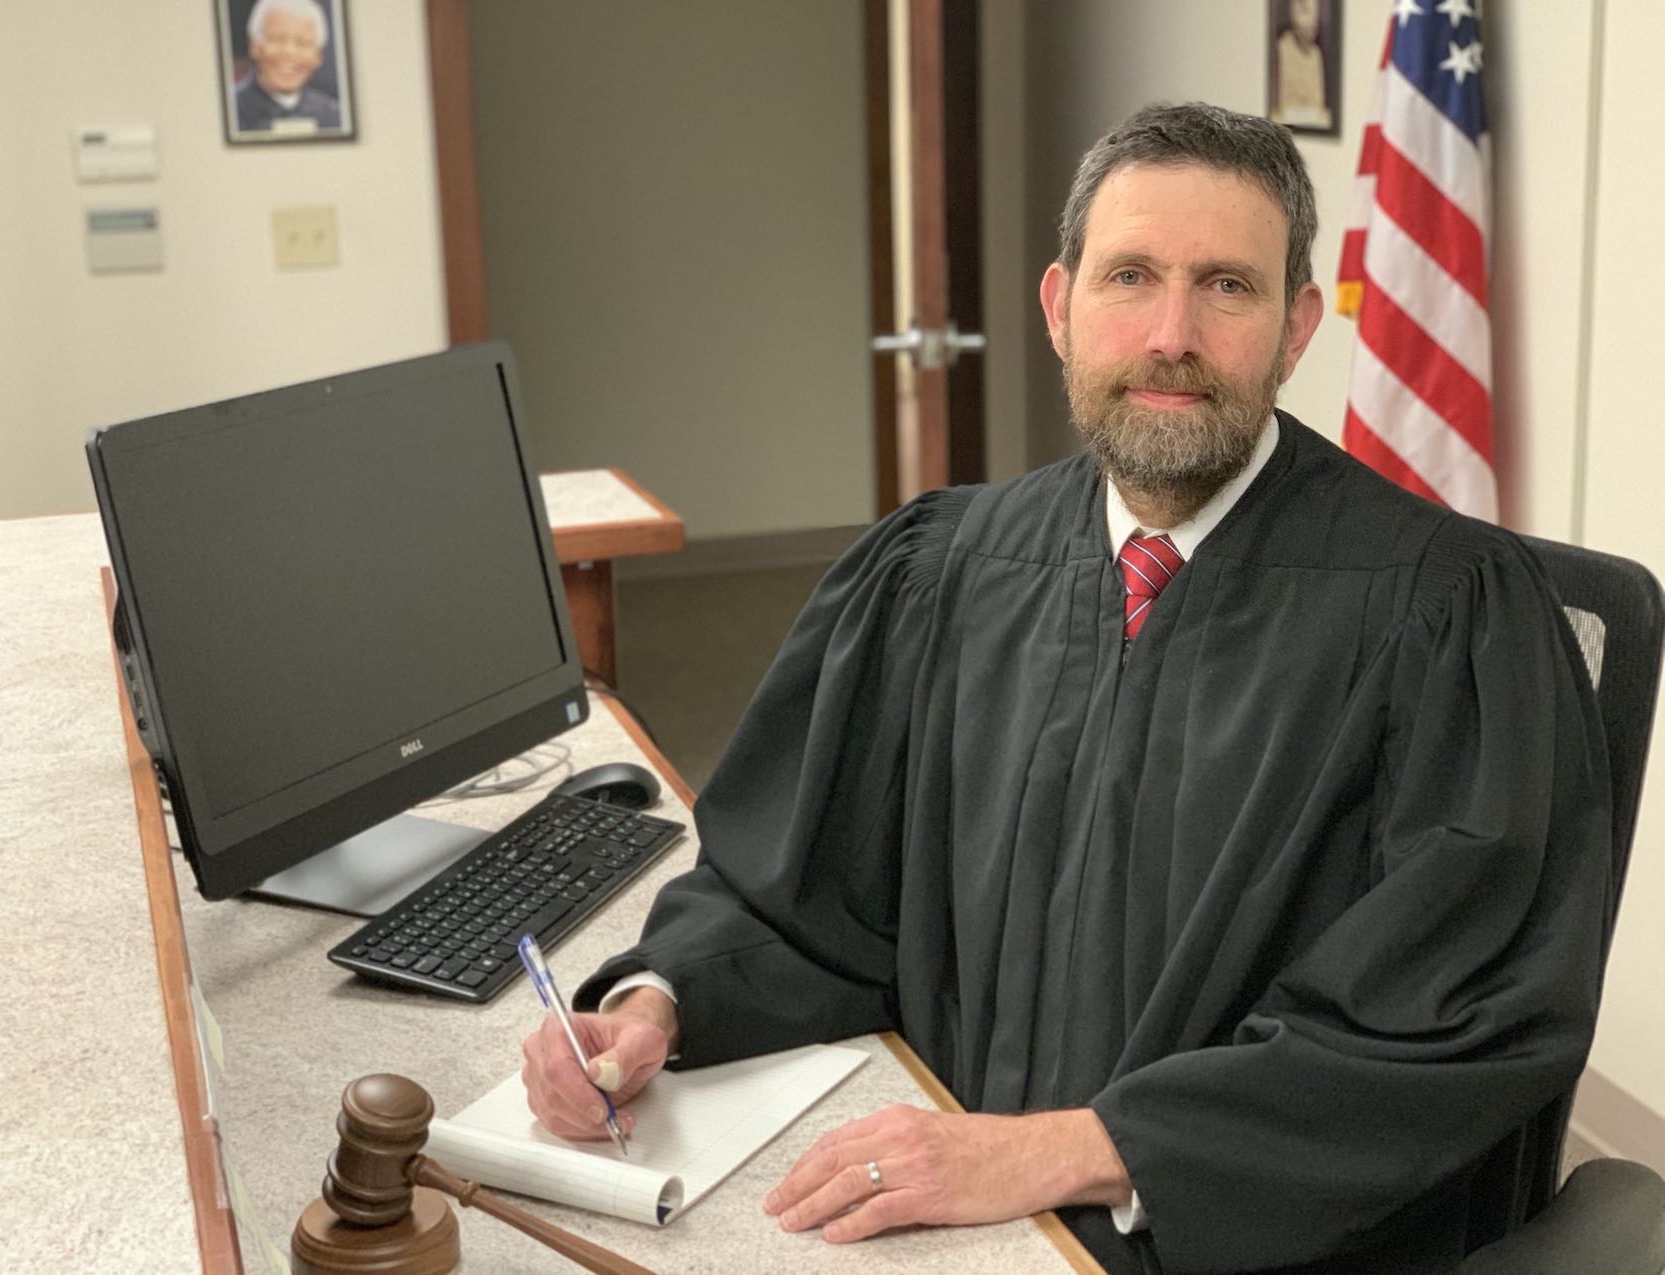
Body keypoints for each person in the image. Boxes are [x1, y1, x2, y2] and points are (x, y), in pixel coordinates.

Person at [521, 102, 1612, 1274]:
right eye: (1129, 277)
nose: (1169, 335)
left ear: (1297, 326)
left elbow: (1447, 1023)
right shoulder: (938, 570)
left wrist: (1078, 1150)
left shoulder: (1441, 614)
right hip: (952, 1212)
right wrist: (655, 1005)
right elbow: (802, 889)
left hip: (1244, 1239)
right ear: (1059, 307)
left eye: (1225, 288)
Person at [233, 0, 341, 134]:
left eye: (303, 43)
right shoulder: (230, 113)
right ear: (254, 46)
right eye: (276, 39)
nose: (289, 52)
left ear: (318, 55)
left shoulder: (335, 116)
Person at [1272, 0, 1333, 130]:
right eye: (1305, 11)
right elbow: (1287, 101)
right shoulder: (1283, 48)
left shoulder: (1315, 54)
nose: (1313, 24)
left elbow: (1317, 101)